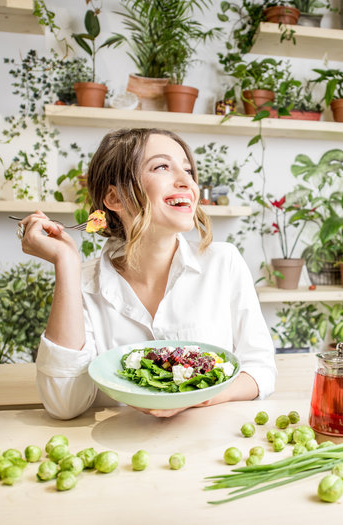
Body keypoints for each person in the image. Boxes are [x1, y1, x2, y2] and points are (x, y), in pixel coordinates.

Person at [17, 128, 276, 419]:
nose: (186, 182)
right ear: (114, 198)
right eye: (162, 166)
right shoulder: (82, 282)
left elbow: (260, 369)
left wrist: (198, 397)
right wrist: (65, 262)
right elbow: (64, 404)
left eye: (188, 170)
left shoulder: (224, 262)